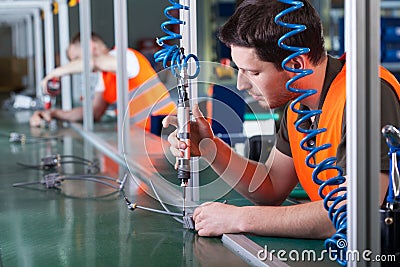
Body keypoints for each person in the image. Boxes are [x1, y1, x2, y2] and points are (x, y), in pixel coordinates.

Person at [163, 0, 400, 238]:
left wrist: (239, 218)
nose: (241, 84)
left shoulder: (368, 95)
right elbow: (272, 186)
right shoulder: (299, 105)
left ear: (296, 64)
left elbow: (354, 213)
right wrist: (210, 147)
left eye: (253, 72)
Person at [30, 32, 176, 131]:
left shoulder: (125, 56)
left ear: (91, 46)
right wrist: (53, 113)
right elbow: (93, 112)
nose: (75, 64)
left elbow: (94, 62)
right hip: (143, 139)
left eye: (76, 59)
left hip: (165, 130)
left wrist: (56, 72)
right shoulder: (104, 75)